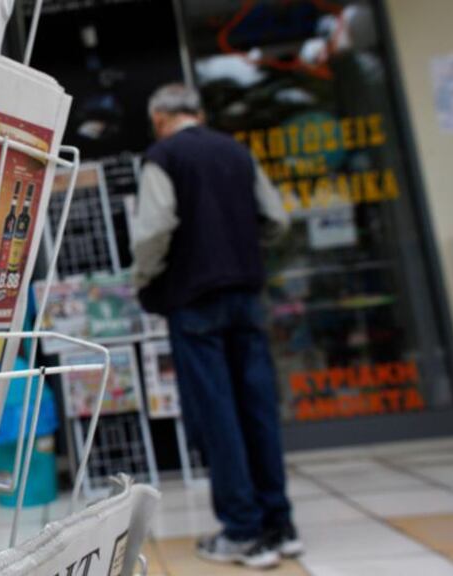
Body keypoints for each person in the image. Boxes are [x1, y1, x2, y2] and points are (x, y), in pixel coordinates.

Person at [129, 83, 301, 569]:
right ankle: (279, 524)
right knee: (257, 408)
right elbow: (276, 219)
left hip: (195, 299)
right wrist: (242, 243)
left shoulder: (163, 156)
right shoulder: (236, 152)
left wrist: (144, 280)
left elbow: (155, 229)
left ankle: (243, 530)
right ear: (199, 114)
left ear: (160, 118)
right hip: (246, 295)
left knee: (217, 413)